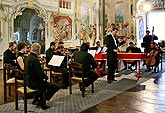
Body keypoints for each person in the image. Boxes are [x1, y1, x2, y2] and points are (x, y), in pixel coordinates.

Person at [24, 43, 59, 109]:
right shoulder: (35, 60)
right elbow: (39, 74)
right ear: (38, 50)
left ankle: (35, 100)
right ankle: (42, 101)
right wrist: (45, 77)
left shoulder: (28, 58)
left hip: (28, 81)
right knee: (55, 87)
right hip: (34, 83)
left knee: (44, 85)